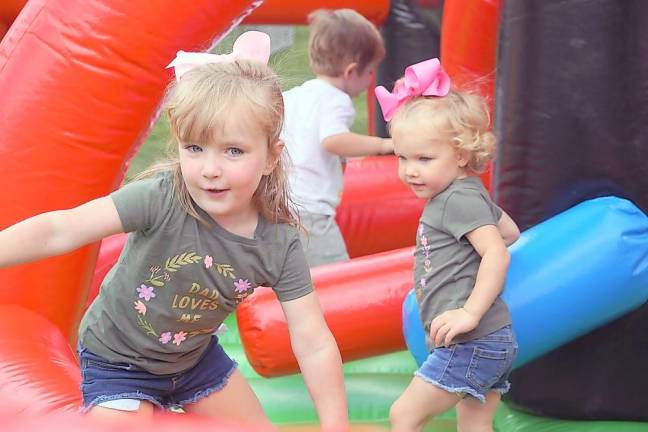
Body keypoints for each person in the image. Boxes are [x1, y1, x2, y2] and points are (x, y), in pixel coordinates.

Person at [0, 31, 347, 430]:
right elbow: (61, 230)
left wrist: (333, 424)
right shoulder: (163, 197)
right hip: (117, 359)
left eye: (233, 151)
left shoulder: (276, 242)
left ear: (271, 157)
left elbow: (313, 340)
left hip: (194, 360)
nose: (210, 169)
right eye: (194, 148)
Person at [375, 59, 520, 432]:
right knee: (474, 424)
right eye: (403, 157)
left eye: (424, 158)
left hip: (473, 338)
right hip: (490, 341)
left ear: (460, 156)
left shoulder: (458, 199)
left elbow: (497, 251)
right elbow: (510, 231)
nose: (410, 170)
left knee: (403, 415)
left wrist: (469, 312)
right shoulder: (468, 194)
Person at [281, 9, 394, 267]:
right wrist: (383, 144)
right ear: (351, 71)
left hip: (280, 205)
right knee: (336, 272)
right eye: (370, 72)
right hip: (310, 212)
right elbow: (332, 139)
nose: (370, 80)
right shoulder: (337, 100)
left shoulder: (297, 95)